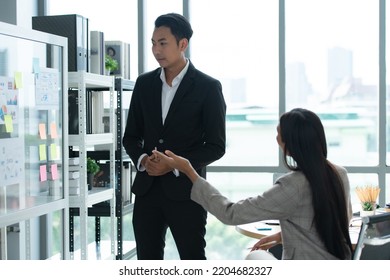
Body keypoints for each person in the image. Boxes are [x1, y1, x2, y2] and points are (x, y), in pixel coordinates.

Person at [152, 108, 353, 260]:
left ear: (291, 146)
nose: (276, 138)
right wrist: (281, 235)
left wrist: (189, 170)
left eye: (279, 134)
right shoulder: (339, 173)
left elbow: (231, 213)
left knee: (253, 257)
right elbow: (333, 221)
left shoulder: (293, 186)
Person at [122, 13, 226, 260]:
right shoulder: (144, 84)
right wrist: (144, 160)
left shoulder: (208, 87)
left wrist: (175, 164)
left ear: (182, 44)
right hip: (147, 192)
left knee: (192, 261)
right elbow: (130, 137)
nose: (156, 50)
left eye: (163, 42)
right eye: (153, 43)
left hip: (187, 193)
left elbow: (215, 146)